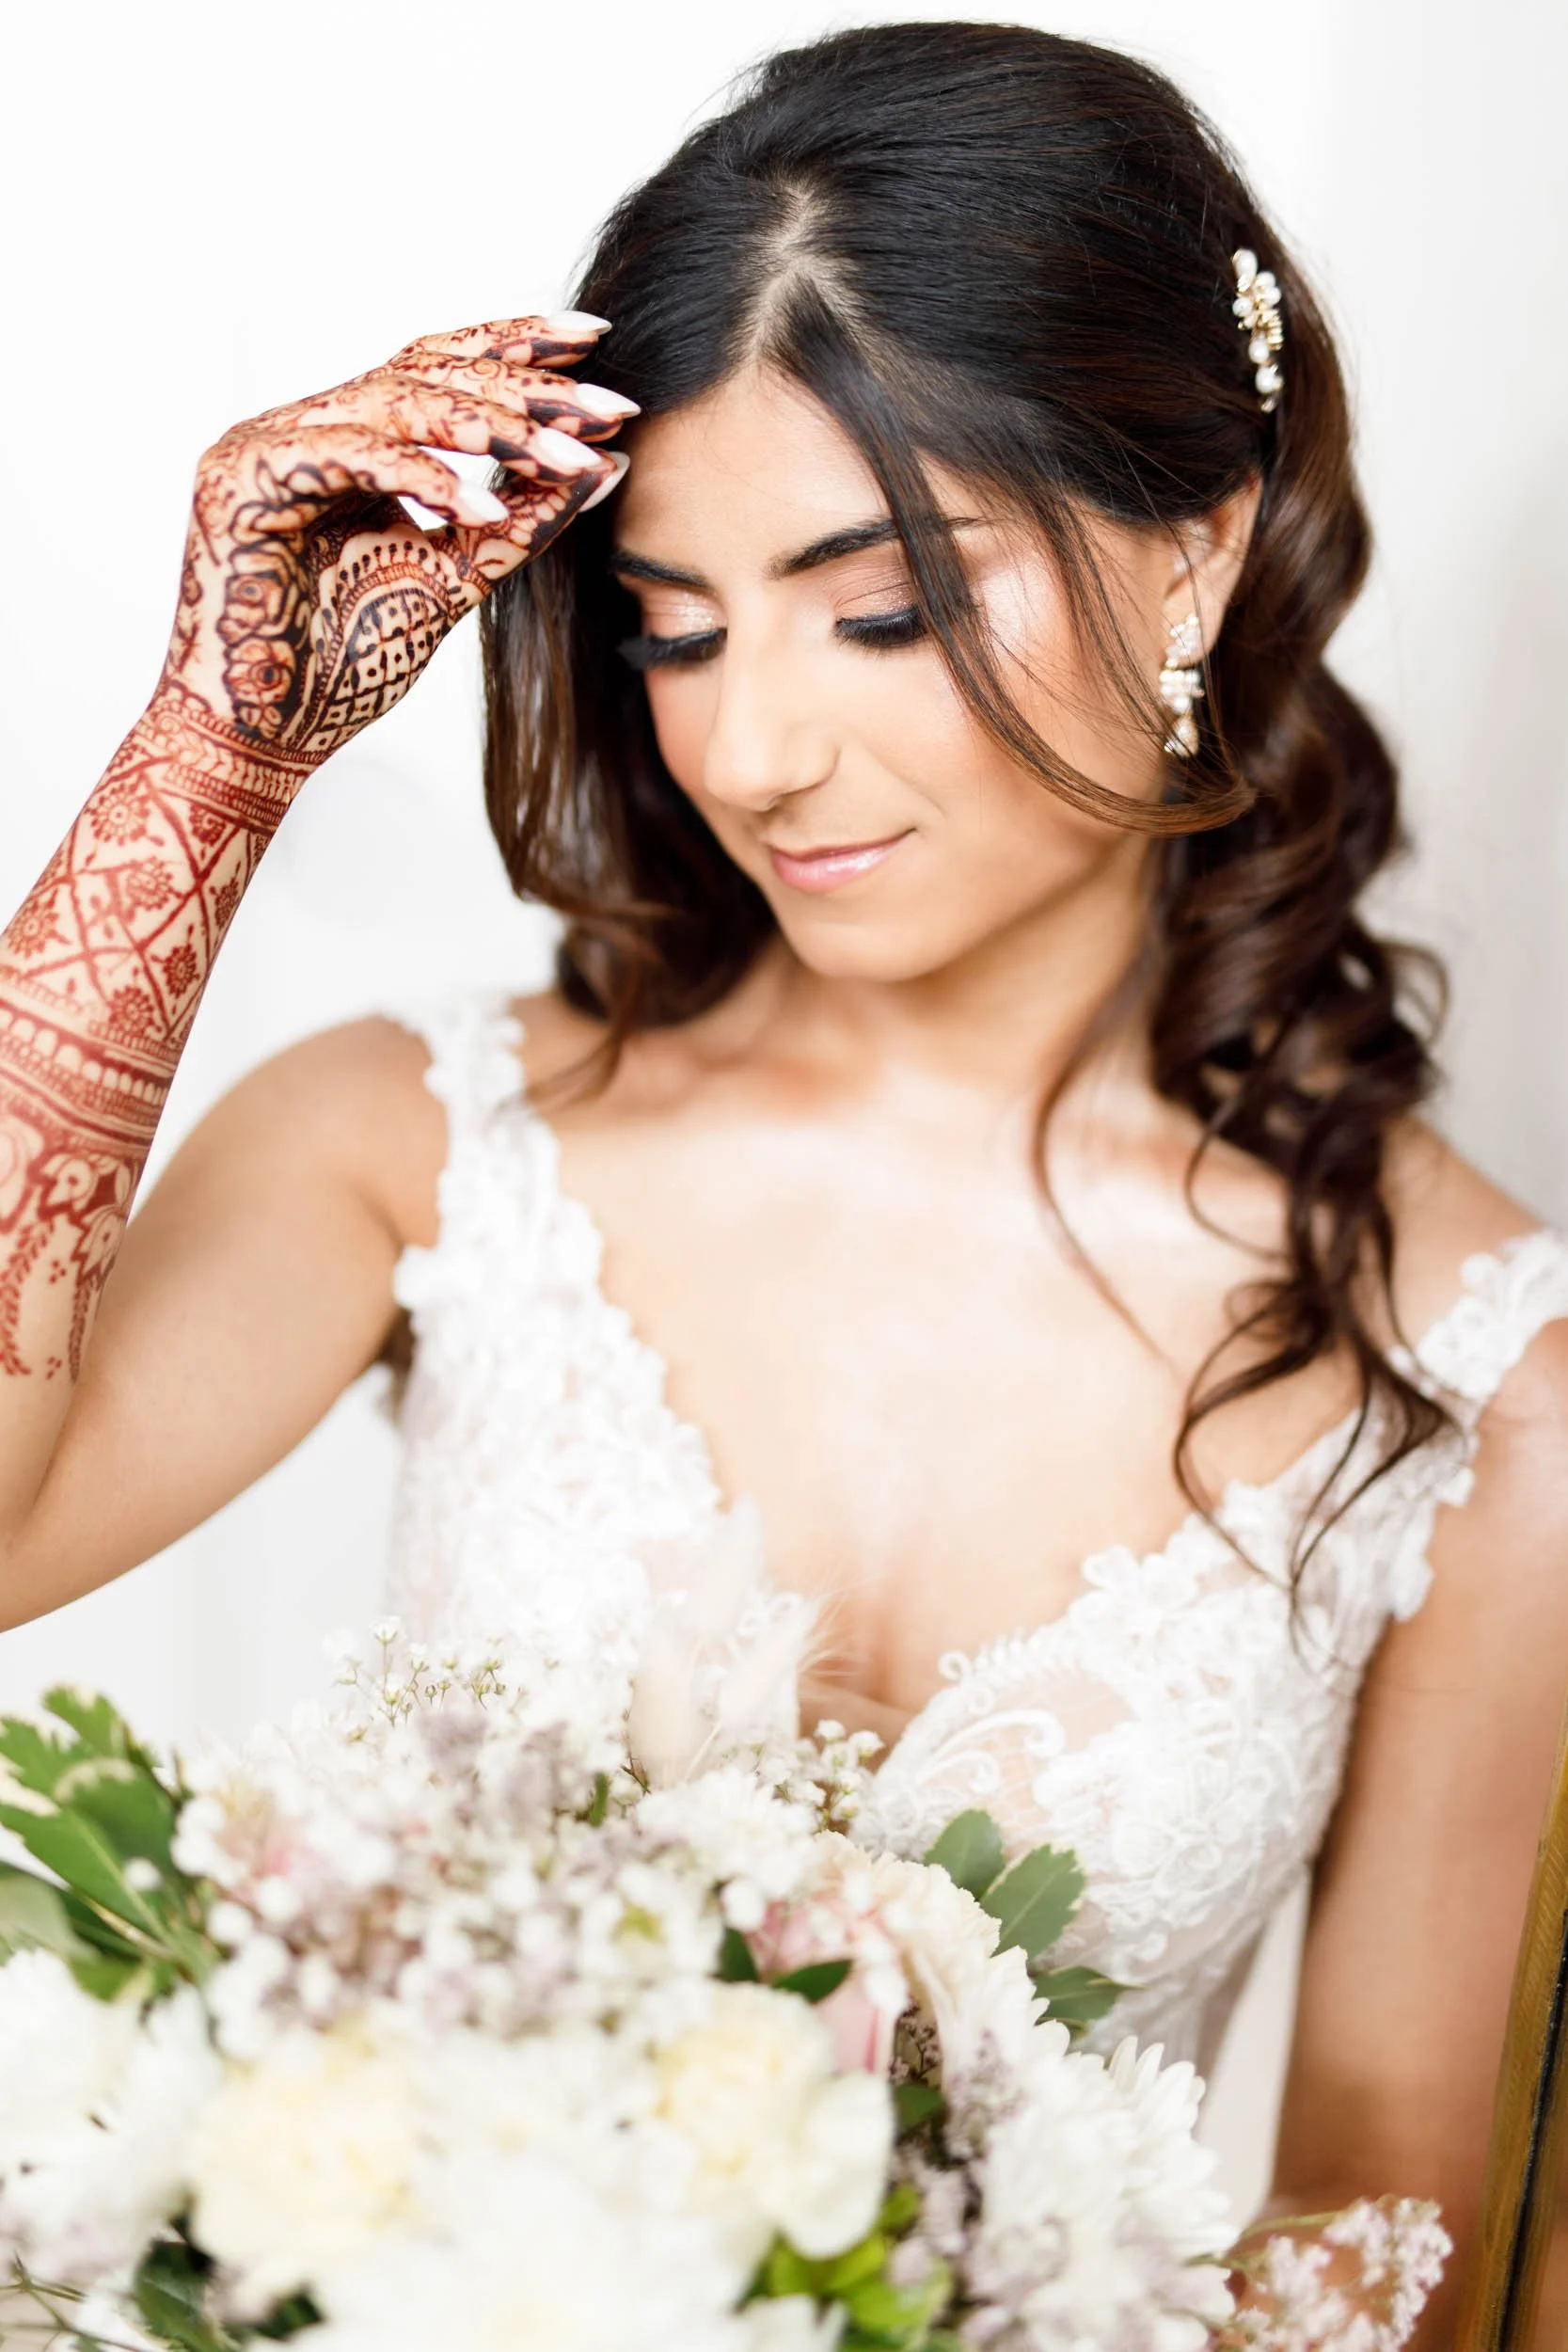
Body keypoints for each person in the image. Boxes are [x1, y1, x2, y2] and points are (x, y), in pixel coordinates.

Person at [0, 19, 1564, 2340]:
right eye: (675, 624)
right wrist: (210, 755)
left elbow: (1386, 2224)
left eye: (886, 604)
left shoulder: (1474, 1380)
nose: (748, 742)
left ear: (1195, 548)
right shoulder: (417, 1144)